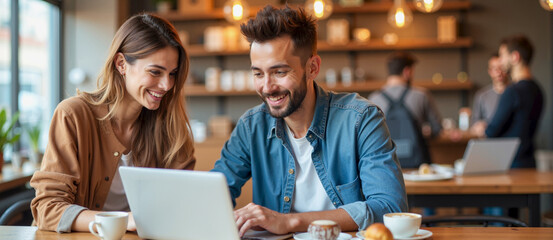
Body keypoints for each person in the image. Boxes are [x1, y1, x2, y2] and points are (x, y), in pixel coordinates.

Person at [211, 5, 407, 237]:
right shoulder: (251, 127)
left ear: (312, 68)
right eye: (258, 73)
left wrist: (290, 222)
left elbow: (390, 209)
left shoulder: (361, 119)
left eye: (279, 72)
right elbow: (214, 194)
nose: (266, 87)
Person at [30, 13, 196, 233]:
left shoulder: (171, 129)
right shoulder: (73, 115)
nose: (166, 85)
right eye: (155, 72)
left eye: (172, 73)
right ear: (121, 64)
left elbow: (181, 206)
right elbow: (47, 208)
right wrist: (122, 220)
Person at [368, 51, 442, 168]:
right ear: (407, 71)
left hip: (387, 165)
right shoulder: (421, 95)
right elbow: (437, 129)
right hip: (418, 166)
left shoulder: (374, 99)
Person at [485, 34, 543, 169]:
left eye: (502, 56)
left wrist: (483, 127)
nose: (500, 61)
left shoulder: (512, 91)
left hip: (510, 165)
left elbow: (492, 131)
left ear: (515, 57)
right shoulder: (538, 90)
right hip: (529, 163)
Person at [470, 53, 509, 137]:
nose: (499, 72)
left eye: (502, 68)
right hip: (488, 141)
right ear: (490, 71)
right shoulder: (482, 95)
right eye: (495, 69)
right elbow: (474, 124)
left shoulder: (515, 94)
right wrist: (479, 126)